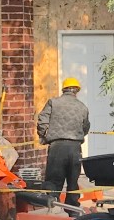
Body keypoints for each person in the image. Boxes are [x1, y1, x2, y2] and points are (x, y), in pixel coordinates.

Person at [36, 77, 90, 207]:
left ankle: (50, 205)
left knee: (53, 180)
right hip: (75, 148)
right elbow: (86, 127)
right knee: (73, 181)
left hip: (57, 147)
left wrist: (43, 135)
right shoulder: (82, 107)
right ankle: (73, 209)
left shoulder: (53, 102)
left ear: (64, 89)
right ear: (76, 91)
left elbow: (42, 120)